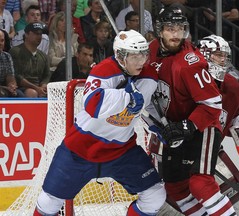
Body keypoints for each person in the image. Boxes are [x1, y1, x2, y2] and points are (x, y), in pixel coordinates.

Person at [33, 30, 166, 216]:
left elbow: (150, 104)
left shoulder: (149, 76)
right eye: (134, 56)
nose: (141, 61)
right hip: (81, 149)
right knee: (48, 203)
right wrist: (126, 96)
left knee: (155, 195)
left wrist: (160, 125)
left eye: (144, 54)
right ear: (120, 56)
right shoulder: (103, 70)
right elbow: (92, 105)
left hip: (122, 151)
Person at [147, 5, 236, 216]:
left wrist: (187, 125)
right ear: (159, 30)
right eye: (170, 28)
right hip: (175, 128)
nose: (176, 34)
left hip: (202, 127)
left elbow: (213, 104)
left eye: (180, 28)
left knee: (200, 183)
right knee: (175, 188)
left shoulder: (190, 63)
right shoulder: (150, 50)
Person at [9, 22, 50, 97]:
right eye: (36, 33)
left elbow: (46, 76)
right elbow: (17, 76)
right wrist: (36, 88)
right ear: (26, 34)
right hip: (20, 88)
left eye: (40, 34)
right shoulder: (15, 51)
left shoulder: (43, 56)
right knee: (32, 93)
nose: (39, 36)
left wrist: (43, 86)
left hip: (39, 88)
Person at [0, 29, 24, 97]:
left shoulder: (7, 56)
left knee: (19, 94)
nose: (0, 43)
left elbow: (11, 78)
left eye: (2, 40)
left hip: (4, 88)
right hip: (2, 89)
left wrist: (11, 86)